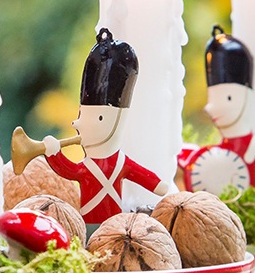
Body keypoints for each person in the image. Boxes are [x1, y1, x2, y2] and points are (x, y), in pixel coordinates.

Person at [39, 29, 170, 226]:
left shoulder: (120, 163)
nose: (77, 123)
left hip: (115, 225)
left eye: (98, 118)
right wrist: (53, 153)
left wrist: (157, 185)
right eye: (81, 115)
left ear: (118, 119)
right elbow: (70, 171)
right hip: (88, 222)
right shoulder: (89, 166)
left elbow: (141, 174)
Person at [178, 26, 255, 195]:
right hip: (227, 203)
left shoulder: (253, 145)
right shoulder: (223, 149)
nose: (211, 108)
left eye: (228, 98)